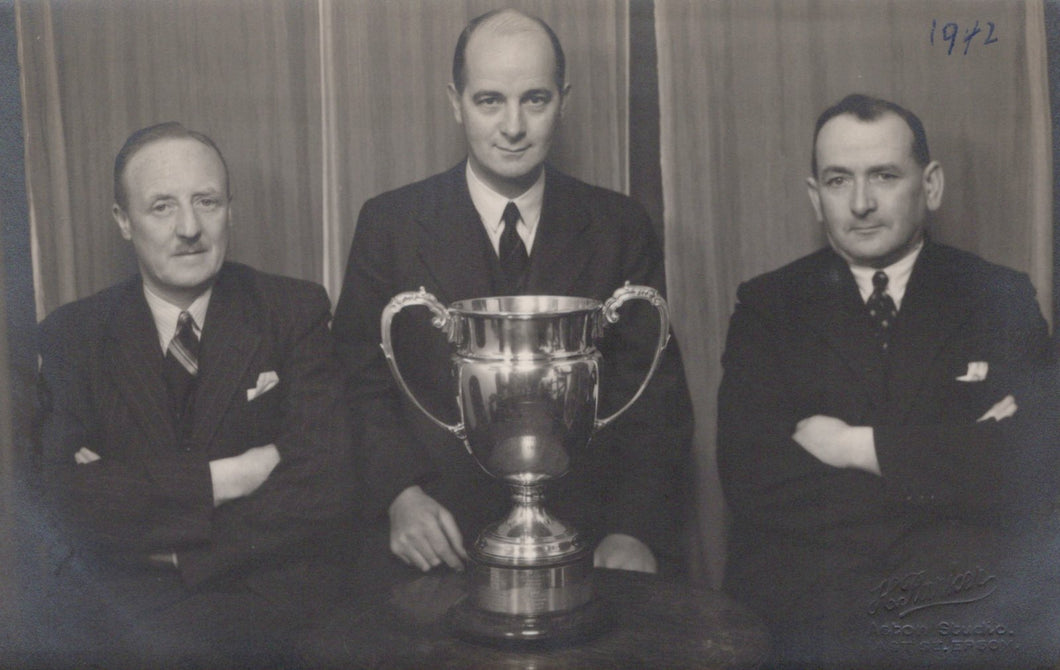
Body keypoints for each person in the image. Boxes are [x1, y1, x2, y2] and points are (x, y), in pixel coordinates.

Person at [332, 8, 693, 582]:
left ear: (564, 100)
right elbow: (356, 383)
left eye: (535, 99)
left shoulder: (619, 226)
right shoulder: (390, 224)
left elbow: (654, 395)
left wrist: (632, 527)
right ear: (456, 101)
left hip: (587, 543)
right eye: (489, 101)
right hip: (436, 544)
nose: (514, 126)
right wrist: (400, 496)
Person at [717, 93, 1060, 667]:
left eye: (883, 176)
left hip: (963, 615)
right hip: (810, 618)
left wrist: (858, 446)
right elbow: (754, 480)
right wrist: (946, 476)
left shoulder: (998, 296)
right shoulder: (767, 307)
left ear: (930, 186)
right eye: (837, 180)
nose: (860, 203)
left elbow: (1031, 467)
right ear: (813, 195)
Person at [34, 122, 358, 667]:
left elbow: (324, 487)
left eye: (205, 201)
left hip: (272, 606)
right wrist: (226, 478)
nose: (189, 227)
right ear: (123, 221)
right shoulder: (73, 335)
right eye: (162, 207)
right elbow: (66, 498)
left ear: (230, 209)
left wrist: (179, 548)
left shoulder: (293, 310)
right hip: (128, 612)